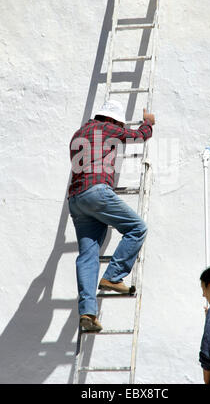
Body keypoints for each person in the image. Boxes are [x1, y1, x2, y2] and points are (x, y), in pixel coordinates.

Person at [68, 99, 155, 331]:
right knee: (137, 228)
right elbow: (138, 136)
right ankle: (113, 276)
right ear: (111, 119)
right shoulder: (106, 127)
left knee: (87, 256)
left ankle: (87, 312)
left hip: (76, 200)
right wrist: (148, 123)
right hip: (96, 192)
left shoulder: (78, 133)